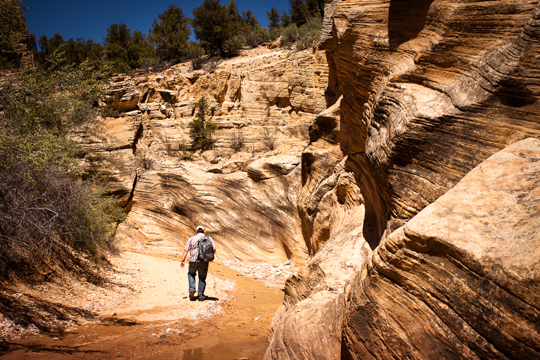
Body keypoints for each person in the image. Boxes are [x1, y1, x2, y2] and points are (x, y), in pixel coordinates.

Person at [180, 226, 216, 301]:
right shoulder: (209, 238)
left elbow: (186, 250)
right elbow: (214, 249)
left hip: (193, 260)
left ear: (196, 231)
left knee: (191, 274)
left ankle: (192, 289)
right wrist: (208, 257)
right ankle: (200, 296)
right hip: (204, 261)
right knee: (202, 278)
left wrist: (182, 260)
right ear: (203, 231)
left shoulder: (192, 238)